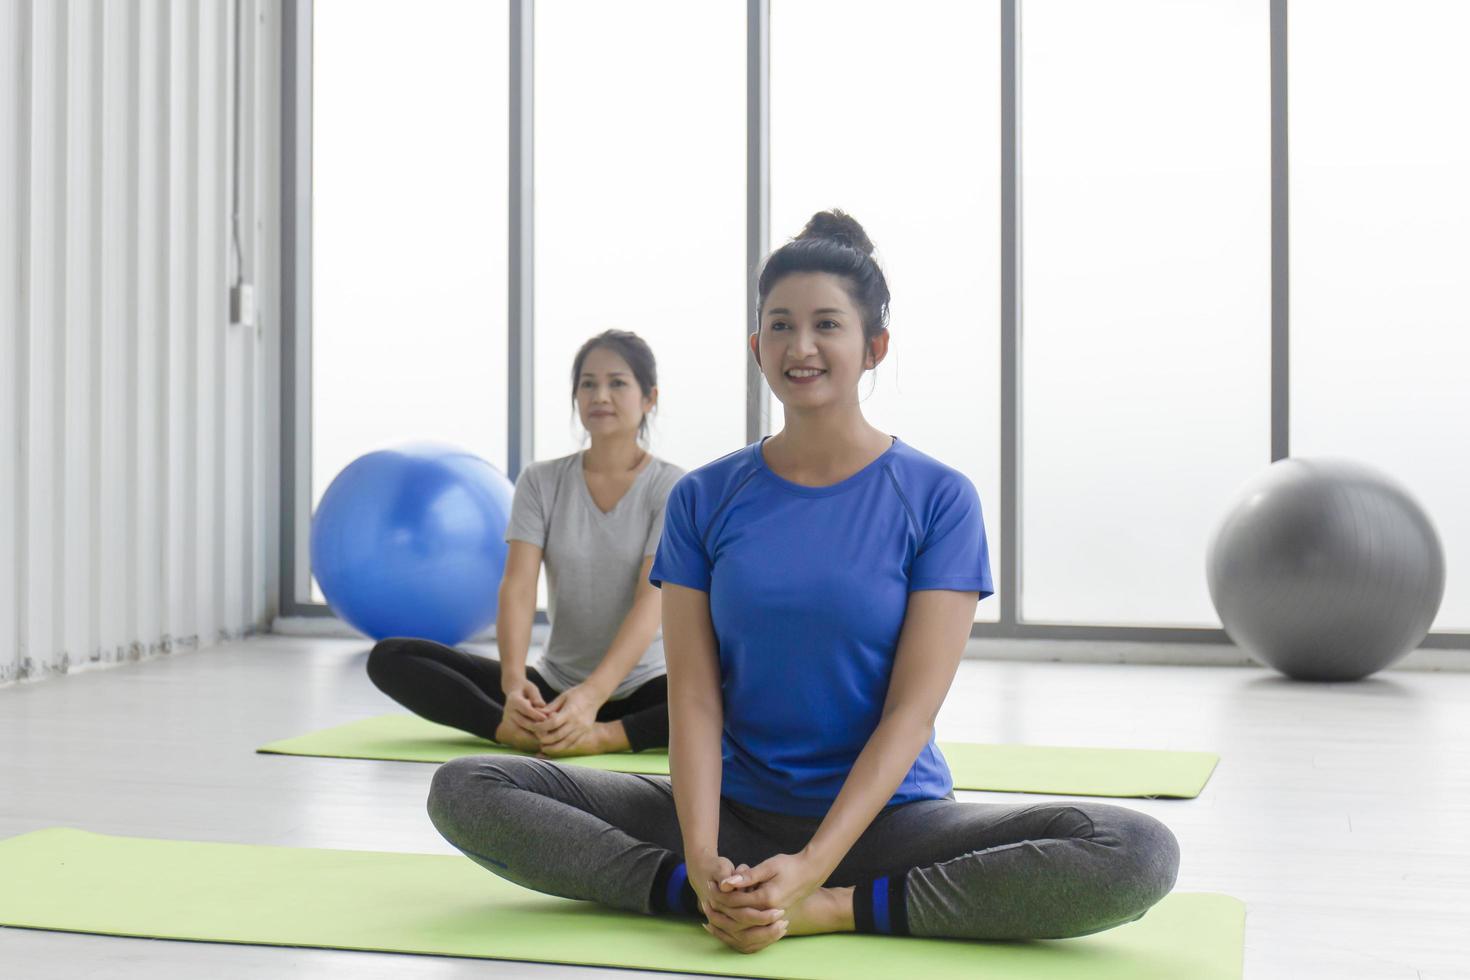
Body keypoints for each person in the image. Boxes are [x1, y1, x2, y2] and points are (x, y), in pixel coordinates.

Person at [424, 212, 1180, 951]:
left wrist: (815, 875)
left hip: (889, 823)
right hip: (734, 815)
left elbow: (909, 717)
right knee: (469, 787)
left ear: (873, 346)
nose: (801, 345)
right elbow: (692, 697)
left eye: (827, 324)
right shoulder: (704, 498)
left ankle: (838, 910)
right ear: (757, 346)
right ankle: (703, 897)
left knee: (1135, 848)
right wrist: (701, 855)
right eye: (780, 325)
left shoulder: (939, 499)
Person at [367, 330, 684, 757]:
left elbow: (651, 603)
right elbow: (517, 588)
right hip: (551, 688)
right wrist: (515, 685)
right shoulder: (541, 481)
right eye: (588, 383)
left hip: (644, 687)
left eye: (617, 383)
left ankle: (605, 735)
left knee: (734, 694)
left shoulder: (672, 487)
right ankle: (511, 729)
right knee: (390, 657)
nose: (600, 395)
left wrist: (591, 699)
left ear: (649, 398)